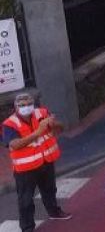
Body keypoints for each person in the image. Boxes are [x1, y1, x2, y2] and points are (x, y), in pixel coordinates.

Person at [3, 93, 72, 232]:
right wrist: (38, 132)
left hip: (46, 161)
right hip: (25, 168)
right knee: (26, 200)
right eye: (22, 105)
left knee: (50, 190)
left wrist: (54, 124)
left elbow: (61, 128)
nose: (26, 107)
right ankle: (27, 228)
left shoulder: (42, 113)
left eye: (29, 104)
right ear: (15, 107)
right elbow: (14, 144)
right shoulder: (10, 124)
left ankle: (54, 212)